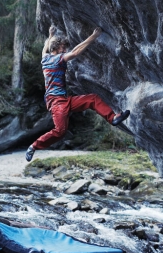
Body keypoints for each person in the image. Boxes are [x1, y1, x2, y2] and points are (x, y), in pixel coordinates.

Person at [25, 26, 130, 162]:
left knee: (92, 99)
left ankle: (113, 118)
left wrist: (50, 35)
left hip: (65, 100)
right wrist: (94, 35)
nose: (65, 50)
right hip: (57, 103)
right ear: (56, 49)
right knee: (60, 131)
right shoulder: (57, 59)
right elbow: (75, 52)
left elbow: (45, 48)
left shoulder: (44, 59)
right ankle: (33, 147)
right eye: (63, 48)